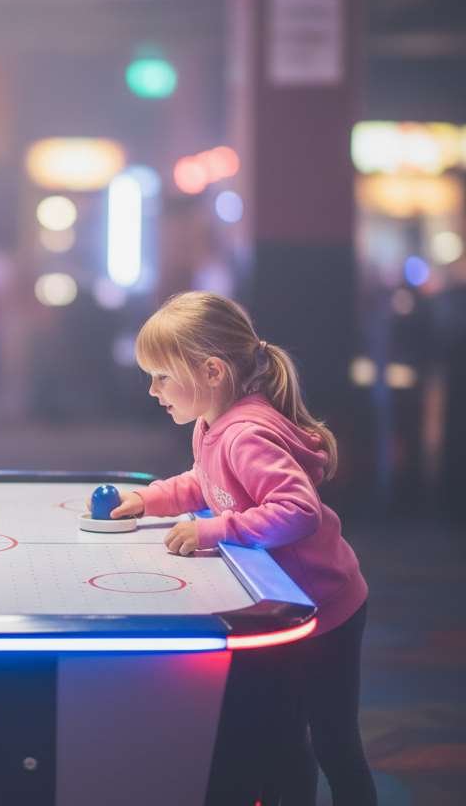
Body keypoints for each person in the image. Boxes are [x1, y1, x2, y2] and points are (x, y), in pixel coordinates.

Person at [109, 291, 375, 806]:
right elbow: (204, 482)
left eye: (162, 376)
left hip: (327, 608)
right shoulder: (214, 426)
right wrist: (146, 499)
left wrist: (215, 530)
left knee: (334, 743)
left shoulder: (244, 435)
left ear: (211, 371)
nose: (151, 389)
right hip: (289, 602)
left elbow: (299, 511)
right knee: (285, 737)